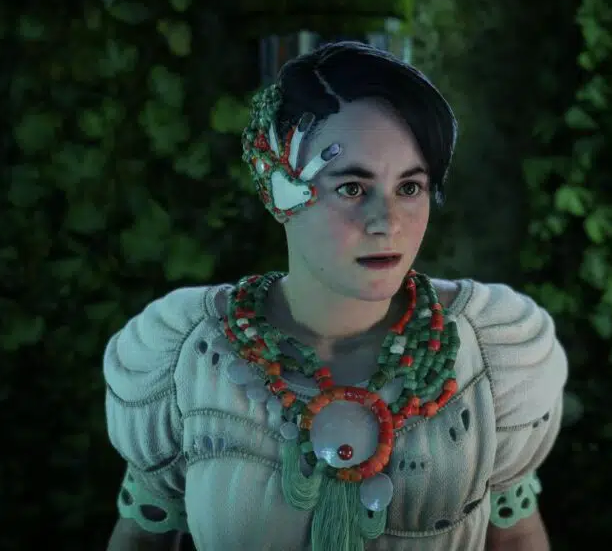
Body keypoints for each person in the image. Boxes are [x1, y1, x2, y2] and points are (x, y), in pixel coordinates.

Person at [103, 41, 568, 551]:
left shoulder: (493, 353)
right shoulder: (185, 356)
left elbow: (516, 535)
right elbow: (142, 537)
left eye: (409, 188)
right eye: (351, 188)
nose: (387, 222)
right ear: (278, 190)